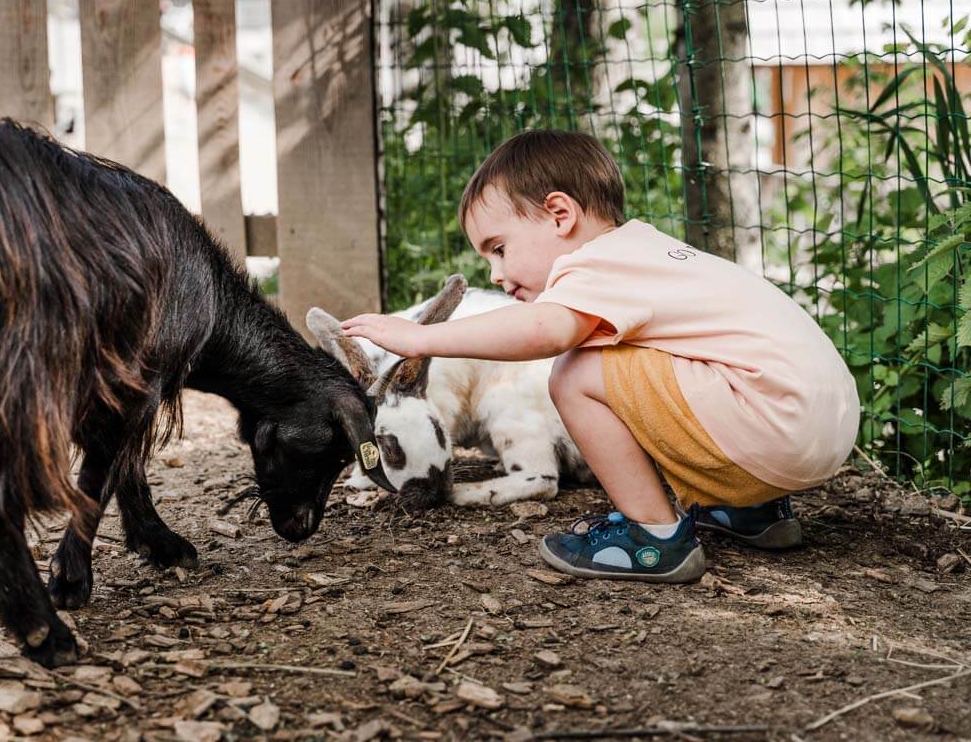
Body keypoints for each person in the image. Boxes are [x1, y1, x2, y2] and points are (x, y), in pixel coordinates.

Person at [341, 130, 859, 583]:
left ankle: (654, 538)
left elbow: (544, 332)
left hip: (770, 424)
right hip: (816, 426)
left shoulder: (596, 265)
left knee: (574, 373)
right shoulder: (648, 253)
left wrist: (421, 338)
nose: (496, 276)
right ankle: (752, 511)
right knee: (634, 362)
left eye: (499, 249)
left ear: (560, 214)